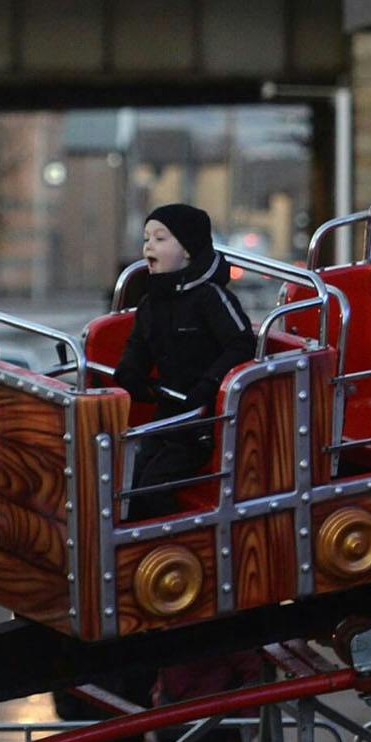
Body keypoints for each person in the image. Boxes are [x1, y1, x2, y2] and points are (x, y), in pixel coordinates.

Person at [113, 203, 254, 520]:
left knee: (151, 485)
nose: (148, 245)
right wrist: (130, 372)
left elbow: (242, 343)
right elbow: (138, 344)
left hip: (202, 422)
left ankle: (167, 548)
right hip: (168, 414)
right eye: (146, 238)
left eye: (160, 239)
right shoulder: (152, 301)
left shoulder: (210, 297)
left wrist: (209, 385)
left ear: (188, 251)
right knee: (125, 475)